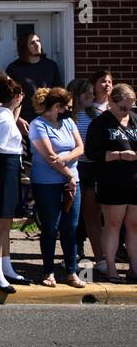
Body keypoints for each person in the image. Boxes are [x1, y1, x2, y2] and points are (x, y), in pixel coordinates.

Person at [29, 86, 85, 288]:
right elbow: (49, 156)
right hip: (47, 183)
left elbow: (80, 147)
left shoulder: (68, 122)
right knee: (51, 228)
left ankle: (72, 271)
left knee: (71, 227)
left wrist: (67, 159)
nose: (70, 110)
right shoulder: (38, 125)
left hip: (72, 182)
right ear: (56, 106)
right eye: (67, 106)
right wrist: (68, 173)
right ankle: (48, 271)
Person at [83, 83, 137, 284]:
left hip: (134, 180)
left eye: (131, 107)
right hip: (112, 181)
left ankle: (134, 267)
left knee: (134, 225)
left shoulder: (134, 120)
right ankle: (111, 267)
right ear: (112, 102)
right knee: (113, 225)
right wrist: (120, 155)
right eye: (123, 107)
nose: (127, 111)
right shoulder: (100, 123)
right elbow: (91, 153)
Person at [0, 76, 29, 293]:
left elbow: (12, 117)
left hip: (10, 168)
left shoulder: (6, 115)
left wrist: (17, 107)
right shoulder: (2, 118)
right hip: (3, 170)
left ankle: (7, 267)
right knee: (1, 225)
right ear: (18, 97)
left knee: (7, 222)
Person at [75, 69, 112, 271]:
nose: (91, 97)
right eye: (87, 94)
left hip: (93, 167)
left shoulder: (97, 115)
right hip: (75, 167)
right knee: (74, 214)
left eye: (92, 93)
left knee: (93, 214)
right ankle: (75, 253)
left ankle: (100, 257)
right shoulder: (69, 117)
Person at [5, 32, 63, 123]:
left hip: (48, 117)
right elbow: (8, 98)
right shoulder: (14, 68)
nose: (37, 45)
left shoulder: (51, 66)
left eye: (38, 41)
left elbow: (59, 92)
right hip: (25, 120)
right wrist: (18, 119)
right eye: (32, 43)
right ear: (24, 46)